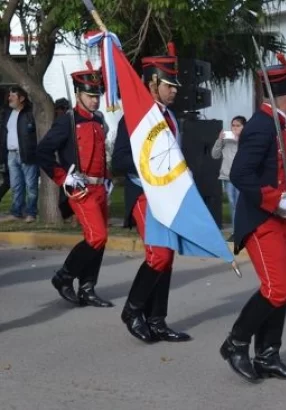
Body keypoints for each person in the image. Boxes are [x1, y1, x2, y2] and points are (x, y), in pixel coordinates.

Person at [219, 54, 286, 384]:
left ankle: (268, 354)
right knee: (277, 288)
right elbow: (241, 174)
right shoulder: (260, 125)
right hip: (261, 219)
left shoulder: (279, 124)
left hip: (284, 219)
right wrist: (275, 199)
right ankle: (236, 343)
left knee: (285, 291)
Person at [112, 46, 192, 343]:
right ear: (152, 84)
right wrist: (154, 166)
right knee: (158, 255)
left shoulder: (170, 117)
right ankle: (132, 310)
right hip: (144, 193)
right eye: (169, 85)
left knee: (167, 257)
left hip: (168, 196)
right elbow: (118, 161)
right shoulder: (132, 118)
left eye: (174, 86)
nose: (174, 91)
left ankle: (157, 320)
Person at [36, 64, 113, 308]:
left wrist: (107, 177)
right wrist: (63, 178)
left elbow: (100, 154)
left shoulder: (99, 120)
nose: (94, 101)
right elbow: (43, 152)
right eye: (90, 96)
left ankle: (88, 288)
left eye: (97, 96)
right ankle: (64, 276)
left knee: (101, 239)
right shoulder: (67, 121)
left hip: (100, 187)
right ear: (78, 94)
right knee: (96, 236)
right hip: (80, 188)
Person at [0, 85, 38, 223]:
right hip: (11, 154)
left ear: (21, 98)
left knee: (31, 185)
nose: (9, 98)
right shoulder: (8, 113)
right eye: (9, 95)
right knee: (16, 185)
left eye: (13, 95)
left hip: (26, 153)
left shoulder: (30, 113)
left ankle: (31, 212)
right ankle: (16, 212)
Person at [212, 115, 246, 240]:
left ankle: (240, 231)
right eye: (233, 125)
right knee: (233, 204)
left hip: (241, 178)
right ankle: (235, 231)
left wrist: (240, 140)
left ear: (244, 127)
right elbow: (214, 155)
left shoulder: (246, 140)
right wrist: (219, 140)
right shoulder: (226, 140)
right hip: (227, 177)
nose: (235, 128)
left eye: (238, 126)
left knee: (239, 204)